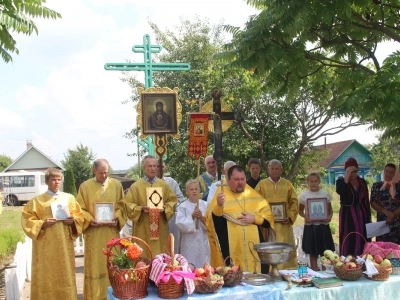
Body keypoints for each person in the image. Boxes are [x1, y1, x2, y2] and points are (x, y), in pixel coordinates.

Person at [21, 168, 84, 300]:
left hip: (64, 245)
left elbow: (79, 217)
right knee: (46, 276)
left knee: (65, 275)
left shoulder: (69, 198)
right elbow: (27, 220)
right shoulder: (37, 201)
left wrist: (73, 221)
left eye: (59, 179)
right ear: (47, 181)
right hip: (45, 248)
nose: (56, 182)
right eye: (53, 179)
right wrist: (42, 224)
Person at [205, 165, 275, 274]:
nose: (240, 182)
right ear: (228, 180)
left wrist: (255, 218)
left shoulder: (252, 194)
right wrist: (218, 206)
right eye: (236, 179)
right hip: (229, 248)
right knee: (232, 278)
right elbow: (214, 224)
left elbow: (268, 220)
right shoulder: (221, 193)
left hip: (254, 247)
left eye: (242, 179)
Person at [76, 159, 126, 300]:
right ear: (94, 171)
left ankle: (114, 295)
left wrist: (116, 217)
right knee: (96, 266)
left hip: (111, 233)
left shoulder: (116, 185)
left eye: (106, 172)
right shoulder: (85, 187)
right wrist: (90, 219)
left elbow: (122, 206)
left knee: (113, 264)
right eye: (101, 172)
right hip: (94, 235)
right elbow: (79, 209)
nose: (104, 175)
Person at [123, 155, 178, 257]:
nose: (152, 168)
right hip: (143, 228)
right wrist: (141, 209)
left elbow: (173, 201)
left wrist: (164, 209)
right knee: (143, 256)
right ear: (144, 168)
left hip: (160, 226)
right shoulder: (136, 186)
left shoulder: (164, 185)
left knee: (160, 256)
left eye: (154, 166)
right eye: (149, 166)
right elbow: (128, 205)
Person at [255, 159, 298, 269]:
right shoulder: (261, 184)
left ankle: (288, 272)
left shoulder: (287, 184)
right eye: (272, 168)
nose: (274, 171)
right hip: (269, 226)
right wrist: (264, 217)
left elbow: (294, 202)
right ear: (268, 170)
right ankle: (271, 272)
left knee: (285, 249)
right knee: (270, 250)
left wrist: (290, 216)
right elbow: (255, 202)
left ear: (281, 170)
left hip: (284, 225)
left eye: (276, 169)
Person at [298, 172, 335, 271]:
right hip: (311, 226)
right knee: (313, 252)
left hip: (323, 226)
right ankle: (315, 272)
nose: (313, 183)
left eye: (315, 181)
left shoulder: (325, 194)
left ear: (319, 182)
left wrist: (330, 216)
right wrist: (305, 216)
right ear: (307, 182)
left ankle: (325, 272)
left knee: (325, 252)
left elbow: (330, 210)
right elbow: (300, 210)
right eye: (311, 181)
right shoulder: (304, 196)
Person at [336, 157, 371, 256]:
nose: (353, 174)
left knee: (363, 235)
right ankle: (349, 260)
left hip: (362, 213)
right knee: (349, 236)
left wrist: (368, 215)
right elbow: (340, 191)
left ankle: (363, 260)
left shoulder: (362, 182)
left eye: (354, 171)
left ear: (358, 171)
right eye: (349, 171)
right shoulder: (341, 181)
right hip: (347, 214)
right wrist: (346, 176)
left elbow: (366, 199)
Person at [176, 179, 210, 267]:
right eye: (191, 189)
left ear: (199, 191)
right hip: (189, 242)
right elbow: (180, 225)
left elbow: (211, 224)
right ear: (187, 191)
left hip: (203, 241)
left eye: (196, 189)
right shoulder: (182, 207)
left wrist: (201, 218)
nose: (194, 191)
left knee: (204, 265)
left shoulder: (206, 205)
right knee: (189, 264)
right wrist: (192, 216)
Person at [156, 160, 185, 253]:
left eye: (162, 167)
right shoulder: (147, 183)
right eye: (158, 166)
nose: (160, 169)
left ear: (165, 168)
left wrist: (169, 205)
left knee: (172, 246)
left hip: (170, 220)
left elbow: (181, 200)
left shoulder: (171, 182)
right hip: (154, 220)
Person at [370, 163, 400, 243]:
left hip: (397, 224)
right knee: (382, 249)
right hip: (383, 223)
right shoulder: (377, 186)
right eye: (386, 171)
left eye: (391, 172)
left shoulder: (399, 186)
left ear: (396, 173)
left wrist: (393, 215)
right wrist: (386, 212)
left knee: (397, 250)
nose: (388, 174)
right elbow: (373, 203)